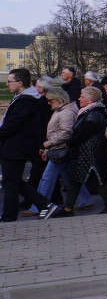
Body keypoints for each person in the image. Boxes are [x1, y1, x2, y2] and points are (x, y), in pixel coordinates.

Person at [47, 86, 107, 217]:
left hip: (90, 152)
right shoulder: (90, 112)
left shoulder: (94, 114)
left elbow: (83, 134)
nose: (79, 98)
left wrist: (69, 143)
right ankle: (70, 208)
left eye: (82, 96)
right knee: (80, 179)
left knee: (89, 179)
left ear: (90, 100)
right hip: (87, 151)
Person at [1, 69, 60, 221]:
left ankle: (10, 217)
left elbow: (13, 124)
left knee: (11, 183)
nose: (7, 84)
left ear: (19, 83)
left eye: (9, 81)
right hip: (15, 146)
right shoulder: (23, 98)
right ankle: (44, 205)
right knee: (13, 181)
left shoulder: (25, 101)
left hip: (16, 147)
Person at [26, 87, 91, 216]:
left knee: (47, 178)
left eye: (50, 100)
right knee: (69, 177)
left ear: (58, 99)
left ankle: (38, 206)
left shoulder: (65, 112)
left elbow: (66, 133)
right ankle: (85, 200)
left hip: (60, 148)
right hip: (59, 148)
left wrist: (48, 144)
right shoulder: (62, 110)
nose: (49, 103)